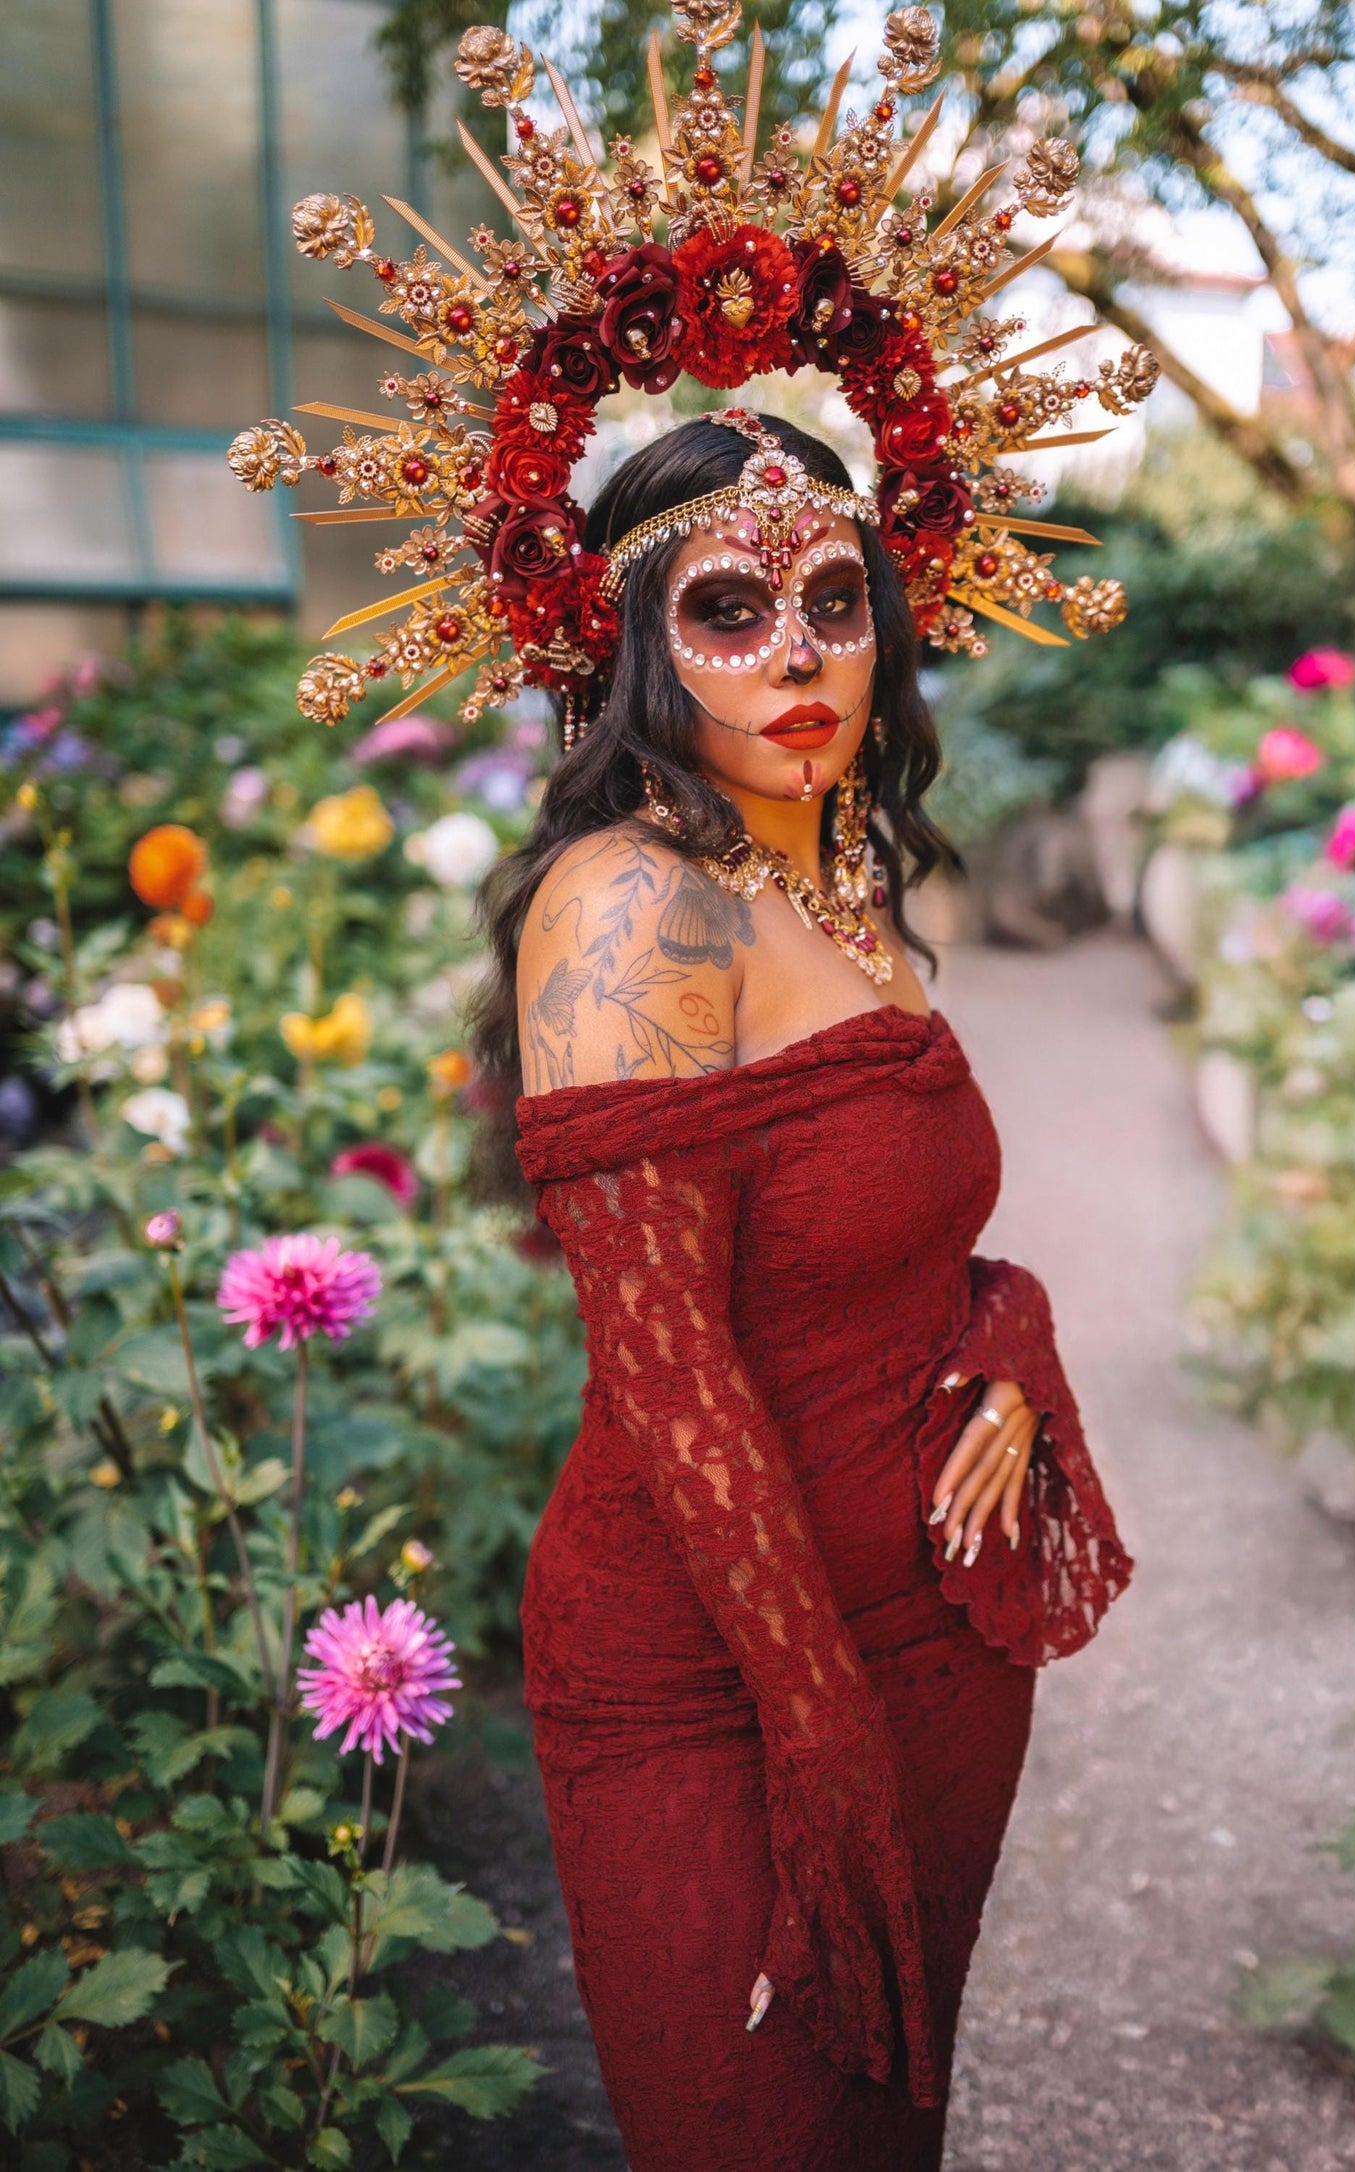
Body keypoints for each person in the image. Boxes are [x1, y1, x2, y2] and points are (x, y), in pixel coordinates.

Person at [468, 409, 1134, 2171]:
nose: (796, 659)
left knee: (885, 2129)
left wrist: (1005, 1336)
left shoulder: (835, 878)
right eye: (728, 613)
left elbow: (894, 1227)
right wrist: (815, 1739)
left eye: (836, 603)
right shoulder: (633, 909)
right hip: (719, 1677)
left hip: (923, 1635)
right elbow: (671, 1382)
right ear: (631, 646)